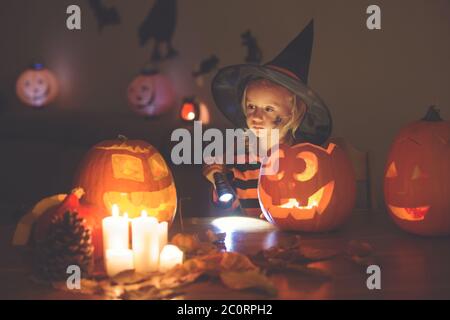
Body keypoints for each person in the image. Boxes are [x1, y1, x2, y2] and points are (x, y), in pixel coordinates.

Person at [203, 20, 332, 218]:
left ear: (293, 112)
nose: (256, 116)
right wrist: (218, 181)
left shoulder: (302, 158)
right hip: (250, 242)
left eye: (269, 109)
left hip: (291, 237)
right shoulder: (238, 157)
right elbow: (229, 206)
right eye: (251, 107)